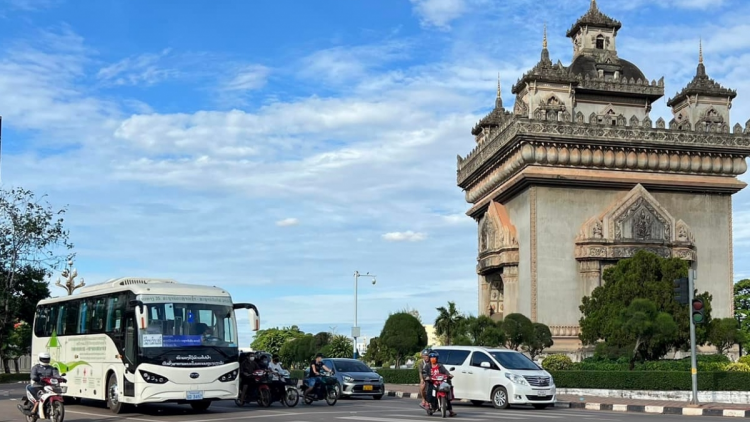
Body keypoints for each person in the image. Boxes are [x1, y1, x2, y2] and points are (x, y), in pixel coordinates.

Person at [422, 351, 456, 417]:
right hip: (432, 382)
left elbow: (445, 371)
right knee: (430, 391)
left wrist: (449, 375)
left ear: (437, 358)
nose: (433, 359)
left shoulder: (440, 365)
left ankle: (450, 411)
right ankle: (429, 404)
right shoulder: (427, 366)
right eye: (431, 358)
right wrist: (426, 377)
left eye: (434, 358)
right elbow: (424, 372)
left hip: (441, 382)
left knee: (447, 390)